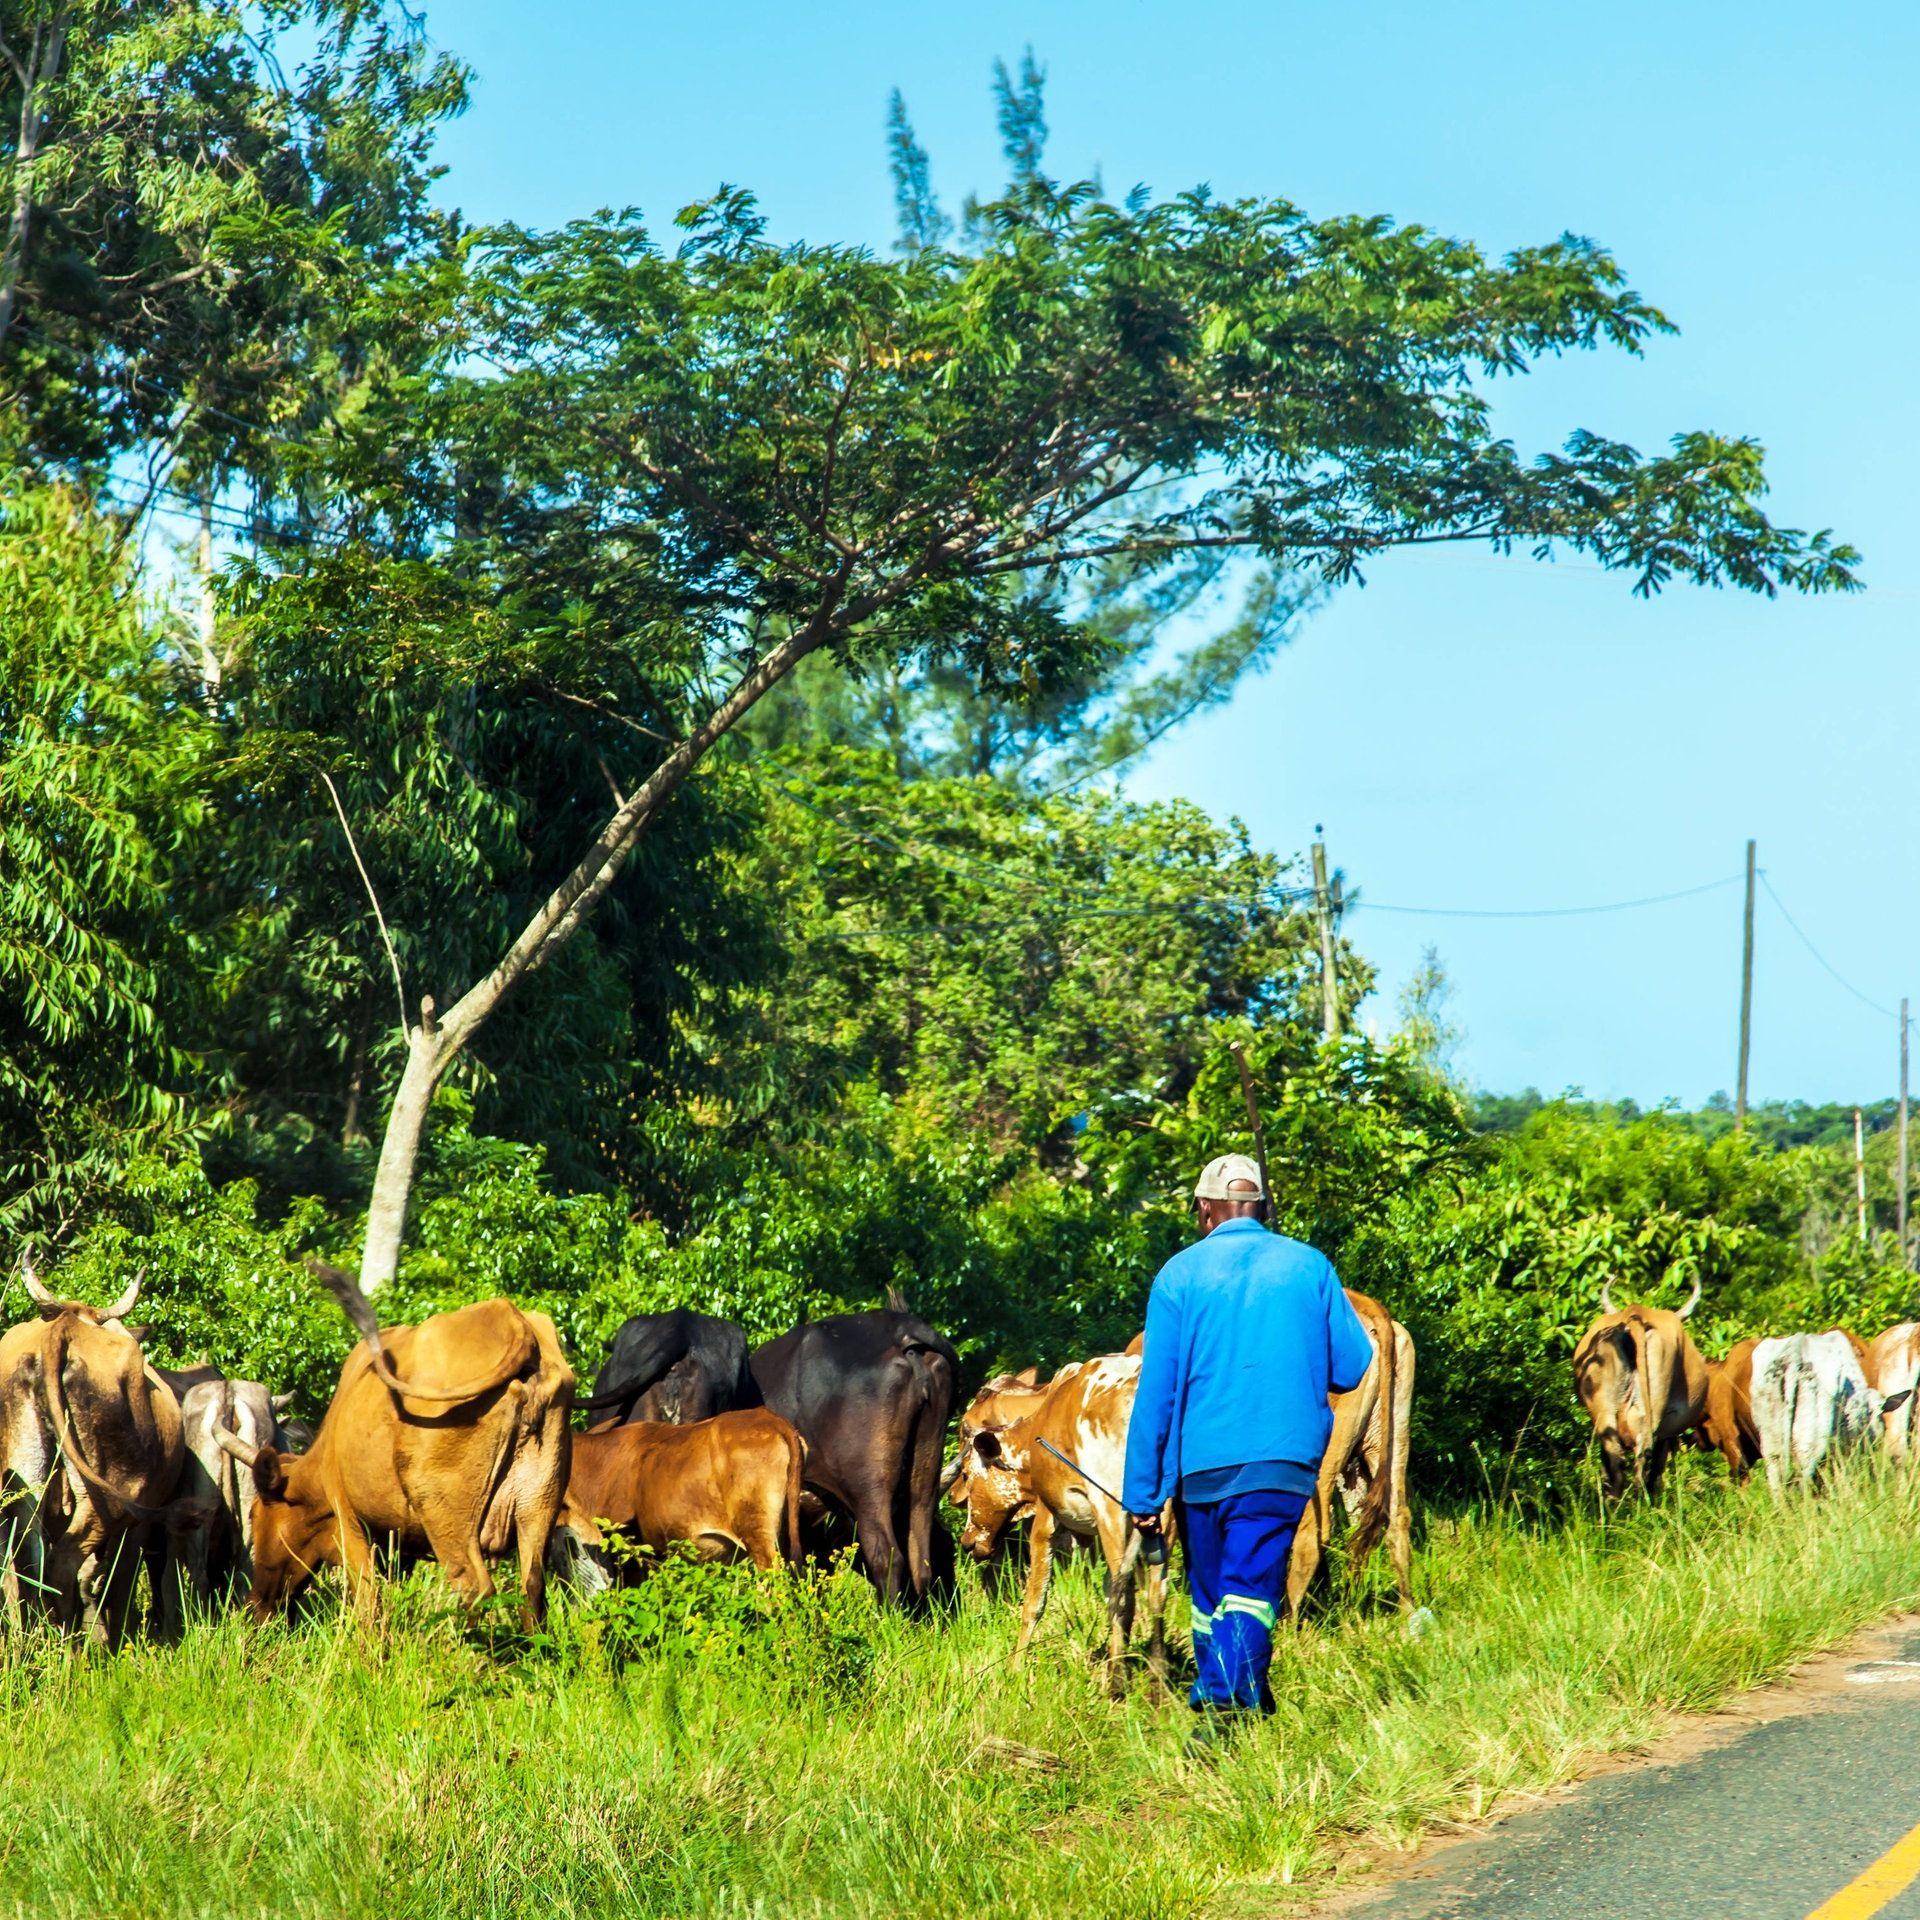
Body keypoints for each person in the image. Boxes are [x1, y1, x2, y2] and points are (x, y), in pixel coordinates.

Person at [1122, 1151, 1373, 1743]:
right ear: (1259, 1206)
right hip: (1282, 1465)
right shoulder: (1309, 1266)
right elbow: (1353, 1364)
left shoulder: (1178, 1275)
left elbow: (1156, 1392)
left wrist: (1142, 1492)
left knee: (1224, 1589)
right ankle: (1243, 1702)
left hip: (1201, 1467)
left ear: (1206, 1208)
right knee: (1235, 1592)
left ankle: (1217, 1713)